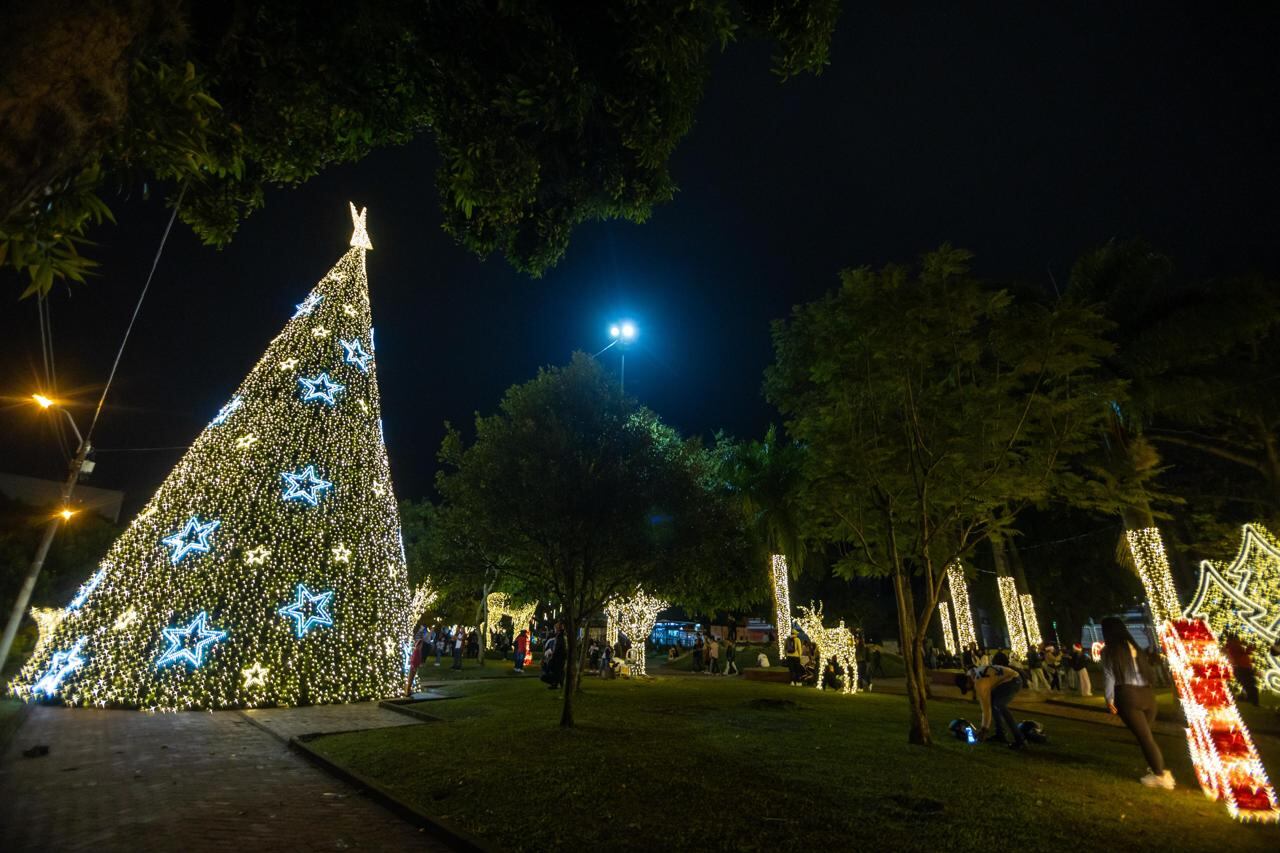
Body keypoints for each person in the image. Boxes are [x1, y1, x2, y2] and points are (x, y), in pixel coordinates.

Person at [1101, 616, 1174, 789]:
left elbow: (1109, 676)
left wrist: (1109, 699)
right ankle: (1157, 769)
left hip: (1128, 695)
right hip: (1148, 696)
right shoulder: (1136, 647)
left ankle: (1159, 775)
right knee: (1146, 738)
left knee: (1145, 739)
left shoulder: (1109, 651)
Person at [959, 663, 1027, 750]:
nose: (969, 690)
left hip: (1013, 680)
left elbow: (986, 709)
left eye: (967, 688)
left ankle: (1020, 740)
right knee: (994, 704)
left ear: (967, 682)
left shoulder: (980, 683)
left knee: (999, 705)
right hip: (1009, 679)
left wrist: (984, 729)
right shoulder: (973, 674)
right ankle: (1000, 735)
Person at [1222, 631, 1260, 706]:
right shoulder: (1235, 645)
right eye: (1237, 638)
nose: (1239, 639)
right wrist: (1250, 648)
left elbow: (1243, 653)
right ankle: (1253, 701)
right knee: (1250, 684)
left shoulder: (1233, 645)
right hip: (1243, 667)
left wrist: (1249, 649)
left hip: (1243, 667)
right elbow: (1242, 654)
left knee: (1248, 684)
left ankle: (1250, 699)